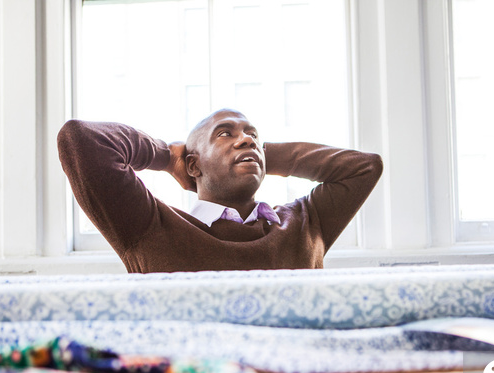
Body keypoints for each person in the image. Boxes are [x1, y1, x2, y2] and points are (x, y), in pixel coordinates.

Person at [57, 109, 383, 273]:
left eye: (252, 135)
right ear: (194, 166)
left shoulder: (304, 223)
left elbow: (363, 168)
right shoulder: (150, 227)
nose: (246, 139)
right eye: (225, 134)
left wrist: (262, 154)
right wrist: (167, 157)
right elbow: (81, 140)